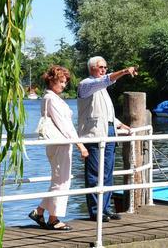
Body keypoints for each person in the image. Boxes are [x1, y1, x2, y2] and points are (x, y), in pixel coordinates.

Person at [29, 65, 89, 231]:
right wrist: (80, 145)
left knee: (60, 179)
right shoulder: (51, 99)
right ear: (51, 81)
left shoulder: (52, 98)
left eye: (65, 82)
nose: (64, 85)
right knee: (61, 181)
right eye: (61, 81)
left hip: (60, 144)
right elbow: (65, 125)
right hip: (59, 144)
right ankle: (53, 219)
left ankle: (40, 212)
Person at [77, 56, 137, 221]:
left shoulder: (102, 89)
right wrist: (124, 71)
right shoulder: (86, 85)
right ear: (92, 68)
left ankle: (105, 208)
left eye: (105, 67)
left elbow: (106, 113)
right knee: (95, 173)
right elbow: (106, 80)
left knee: (108, 173)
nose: (104, 70)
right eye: (101, 67)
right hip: (94, 134)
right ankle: (95, 211)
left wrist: (120, 124)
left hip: (109, 132)